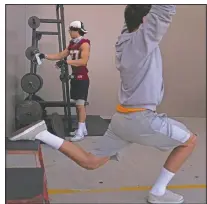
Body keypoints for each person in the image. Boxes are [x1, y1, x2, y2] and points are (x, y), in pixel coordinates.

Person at [10, 5, 197, 203]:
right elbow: (163, 11)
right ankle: (158, 192)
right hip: (141, 119)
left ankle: (41, 133)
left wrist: (137, 12)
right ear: (145, 22)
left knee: (90, 162)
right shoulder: (141, 43)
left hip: (121, 119)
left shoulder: (124, 41)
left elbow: (132, 19)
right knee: (190, 141)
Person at [38, 20, 90, 142]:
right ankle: (82, 129)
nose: (69, 32)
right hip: (75, 77)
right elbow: (60, 55)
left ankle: (81, 132)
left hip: (82, 78)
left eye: (71, 30)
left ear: (77, 30)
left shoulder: (84, 44)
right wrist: (44, 55)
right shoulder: (72, 44)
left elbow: (83, 61)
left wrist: (67, 62)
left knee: (80, 106)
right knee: (78, 106)